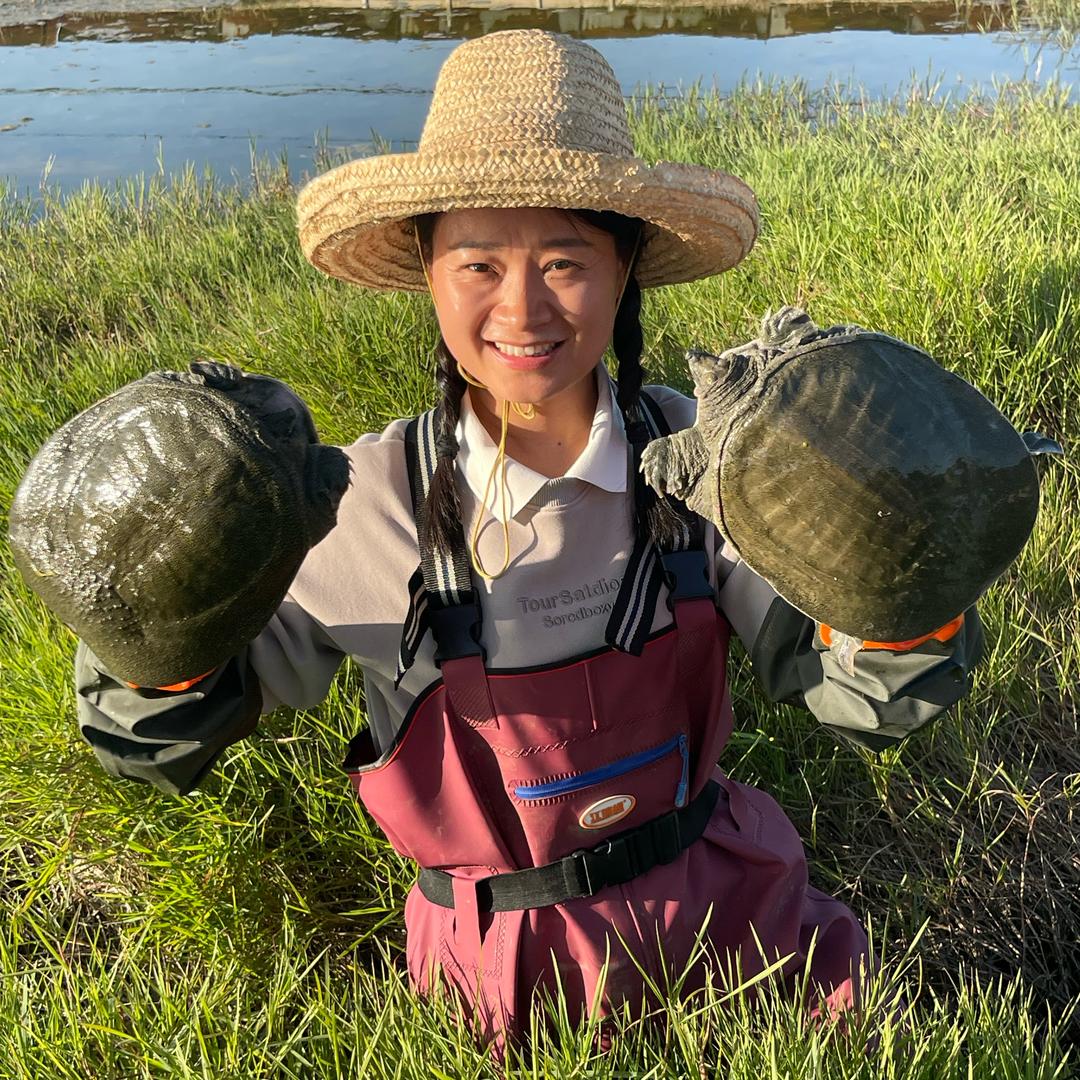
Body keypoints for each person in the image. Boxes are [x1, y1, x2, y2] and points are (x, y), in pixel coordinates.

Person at [74, 29, 983, 1055]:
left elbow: (852, 687)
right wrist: (155, 617)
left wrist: (912, 576)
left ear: (625, 270)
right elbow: (162, 729)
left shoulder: (710, 461)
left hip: (732, 913)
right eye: (478, 263)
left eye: (565, 262)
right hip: (499, 964)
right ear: (425, 270)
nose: (521, 307)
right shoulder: (353, 505)